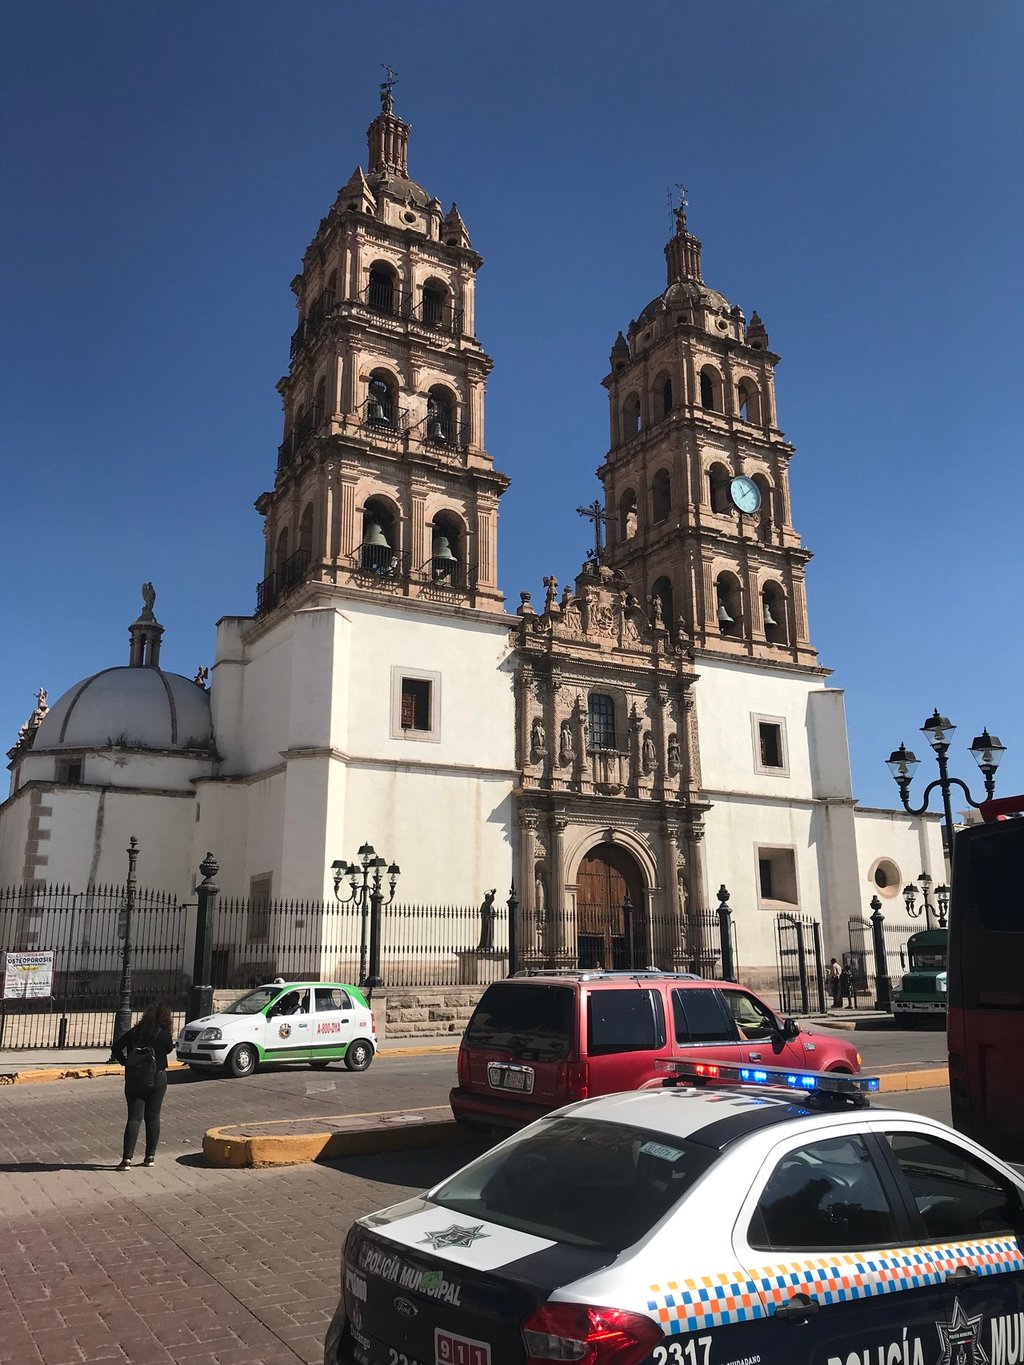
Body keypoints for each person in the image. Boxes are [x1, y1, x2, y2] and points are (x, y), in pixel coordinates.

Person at [112, 1001, 175, 1171]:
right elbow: (169, 1049)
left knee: (134, 1118)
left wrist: (126, 1063)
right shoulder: (163, 1034)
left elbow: (116, 1047)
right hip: (157, 1078)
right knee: (153, 1117)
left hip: (134, 1080)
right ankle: (150, 1156)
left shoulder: (136, 1032)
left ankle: (126, 1159)